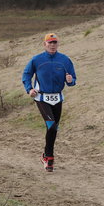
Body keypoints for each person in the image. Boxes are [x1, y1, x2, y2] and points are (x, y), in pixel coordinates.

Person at [22, 33, 76, 172]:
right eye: (50, 43)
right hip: (42, 97)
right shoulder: (37, 59)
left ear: (58, 44)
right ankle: (49, 157)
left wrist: (70, 81)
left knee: (54, 128)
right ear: (44, 44)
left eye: (55, 42)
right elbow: (26, 75)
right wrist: (29, 89)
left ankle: (46, 155)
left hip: (57, 98)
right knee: (51, 126)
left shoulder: (64, 60)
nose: (52, 45)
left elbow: (72, 80)